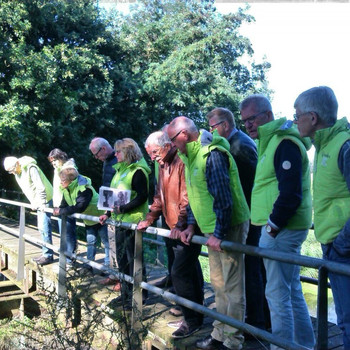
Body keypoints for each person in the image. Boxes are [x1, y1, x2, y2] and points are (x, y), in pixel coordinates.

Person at [239, 94, 315, 350]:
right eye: (244, 121)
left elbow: (290, 194)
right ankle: (304, 345)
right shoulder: (271, 143)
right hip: (282, 229)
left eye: (252, 119)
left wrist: (270, 230)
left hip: (281, 230)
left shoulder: (283, 143)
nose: (248, 125)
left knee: (276, 294)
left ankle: (282, 347)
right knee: (291, 291)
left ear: (268, 115)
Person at [167, 117, 250, 350]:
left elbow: (224, 197)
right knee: (218, 284)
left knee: (232, 287)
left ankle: (232, 341)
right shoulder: (192, 157)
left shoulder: (211, 154)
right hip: (213, 230)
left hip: (227, 227)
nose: (172, 145)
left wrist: (220, 233)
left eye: (173, 140)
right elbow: (196, 198)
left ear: (184, 134)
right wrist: (191, 226)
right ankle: (219, 334)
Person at [294, 86, 350, 348]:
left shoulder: (343, 146)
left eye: (298, 115)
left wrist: (341, 244)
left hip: (343, 248)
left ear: (312, 118)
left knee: (349, 322)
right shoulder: (325, 146)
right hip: (335, 245)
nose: (295, 121)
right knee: (345, 320)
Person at [137, 131, 204, 338]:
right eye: (149, 154)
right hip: (171, 225)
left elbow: (187, 196)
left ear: (167, 145)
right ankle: (191, 315)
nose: (152, 157)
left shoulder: (181, 160)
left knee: (179, 273)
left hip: (184, 227)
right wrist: (149, 218)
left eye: (154, 152)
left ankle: (192, 321)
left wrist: (182, 223)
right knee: (189, 270)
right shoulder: (162, 163)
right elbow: (159, 196)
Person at [206, 107, 266, 331]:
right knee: (249, 268)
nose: (210, 132)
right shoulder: (236, 143)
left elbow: (248, 186)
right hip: (247, 215)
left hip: (248, 217)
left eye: (212, 127)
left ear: (224, 125)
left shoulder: (239, 146)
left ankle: (257, 322)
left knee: (250, 269)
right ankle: (255, 321)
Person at [99, 138, 150, 307]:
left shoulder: (138, 171)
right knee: (122, 260)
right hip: (120, 221)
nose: (115, 154)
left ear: (127, 152)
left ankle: (139, 296)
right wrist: (107, 213)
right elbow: (114, 195)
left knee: (134, 259)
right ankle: (126, 293)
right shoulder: (119, 170)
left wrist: (124, 208)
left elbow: (143, 196)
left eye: (118, 151)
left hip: (133, 221)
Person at [53, 166, 110, 273]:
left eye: (63, 180)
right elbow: (65, 203)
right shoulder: (67, 188)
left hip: (101, 217)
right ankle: (88, 266)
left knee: (106, 242)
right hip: (89, 219)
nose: (61, 182)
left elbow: (80, 207)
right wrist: (59, 209)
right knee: (90, 242)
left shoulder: (84, 188)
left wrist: (61, 211)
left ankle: (108, 267)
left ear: (71, 180)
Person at [3, 156, 54, 266]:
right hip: (39, 201)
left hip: (46, 199)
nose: (12, 172)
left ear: (17, 163)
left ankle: (48, 255)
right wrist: (33, 202)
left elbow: (40, 187)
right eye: (9, 171)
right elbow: (28, 189)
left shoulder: (31, 168)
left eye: (12, 169)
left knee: (43, 227)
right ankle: (46, 253)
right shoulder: (18, 173)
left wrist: (40, 203)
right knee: (42, 227)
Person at [89, 137, 119, 287]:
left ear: (103, 149)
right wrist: (106, 212)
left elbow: (116, 188)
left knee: (118, 246)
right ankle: (114, 275)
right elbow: (107, 187)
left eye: (96, 154)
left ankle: (119, 278)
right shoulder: (107, 162)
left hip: (118, 211)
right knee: (112, 243)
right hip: (111, 210)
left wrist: (109, 210)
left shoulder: (116, 161)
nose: (96, 158)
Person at [47, 148, 77, 266]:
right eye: (52, 162)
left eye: (55, 160)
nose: (53, 163)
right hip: (59, 206)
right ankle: (66, 256)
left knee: (69, 232)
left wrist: (61, 206)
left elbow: (69, 189)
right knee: (63, 232)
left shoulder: (69, 169)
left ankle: (70, 258)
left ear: (61, 158)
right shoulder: (57, 169)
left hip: (67, 205)